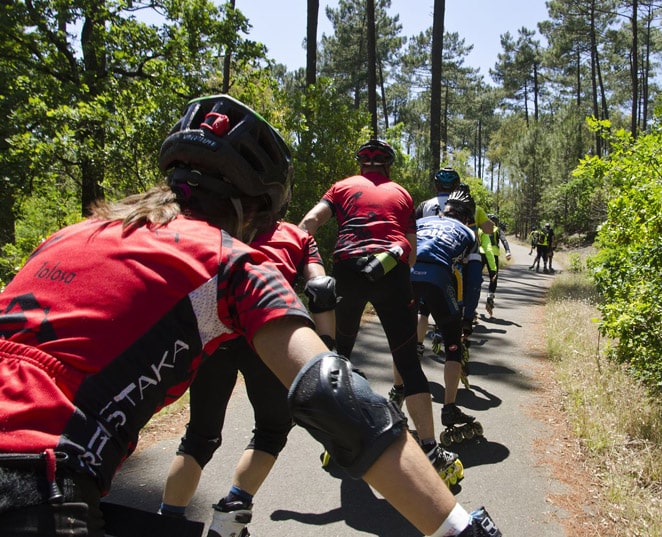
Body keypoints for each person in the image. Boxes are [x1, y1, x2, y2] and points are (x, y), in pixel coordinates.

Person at [0, 95, 501, 537]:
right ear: (252, 207)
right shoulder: (229, 260)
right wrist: (457, 527)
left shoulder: (69, 234)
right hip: (38, 482)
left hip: (46, 470)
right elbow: (330, 391)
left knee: (199, 435)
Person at [297, 140, 464, 488]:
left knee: (338, 357)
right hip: (391, 270)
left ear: (361, 165)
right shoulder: (402, 193)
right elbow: (413, 253)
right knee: (406, 361)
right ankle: (431, 451)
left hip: (347, 267)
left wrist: (301, 263)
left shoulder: (341, 187)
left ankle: (336, 442)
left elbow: (311, 222)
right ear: (388, 166)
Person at [158, 220, 337, 537]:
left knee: (200, 435)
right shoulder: (297, 236)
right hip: (263, 331)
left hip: (213, 330)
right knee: (272, 429)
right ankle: (229, 520)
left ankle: (166, 522)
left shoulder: (215, 224)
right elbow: (321, 289)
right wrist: (328, 348)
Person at [406, 188, 484, 447]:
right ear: (467, 217)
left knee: (402, 342)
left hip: (405, 278)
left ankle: (396, 395)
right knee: (453, 344)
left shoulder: (421, 221)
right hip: (438, 280)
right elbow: (473, 280)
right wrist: (467, 318)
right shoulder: (469, 233)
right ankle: (449, 408)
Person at [415, 169, 494, 346]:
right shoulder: (471, 208)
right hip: (461, 259)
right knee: (455, 303)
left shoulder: (425, 205)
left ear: (435, 185)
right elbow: (489, 229)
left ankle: (417, 348)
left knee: (423, 310)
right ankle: (455, 342)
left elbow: (413, 232)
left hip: (422, 260)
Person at [484, 214, 512, 317]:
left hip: (481, 254)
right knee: (494, 276)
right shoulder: (497, 229)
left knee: (476, 276)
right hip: (493, 254)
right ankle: (490, 296)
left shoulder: (482, 227)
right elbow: (504, 240)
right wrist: (508, 251)